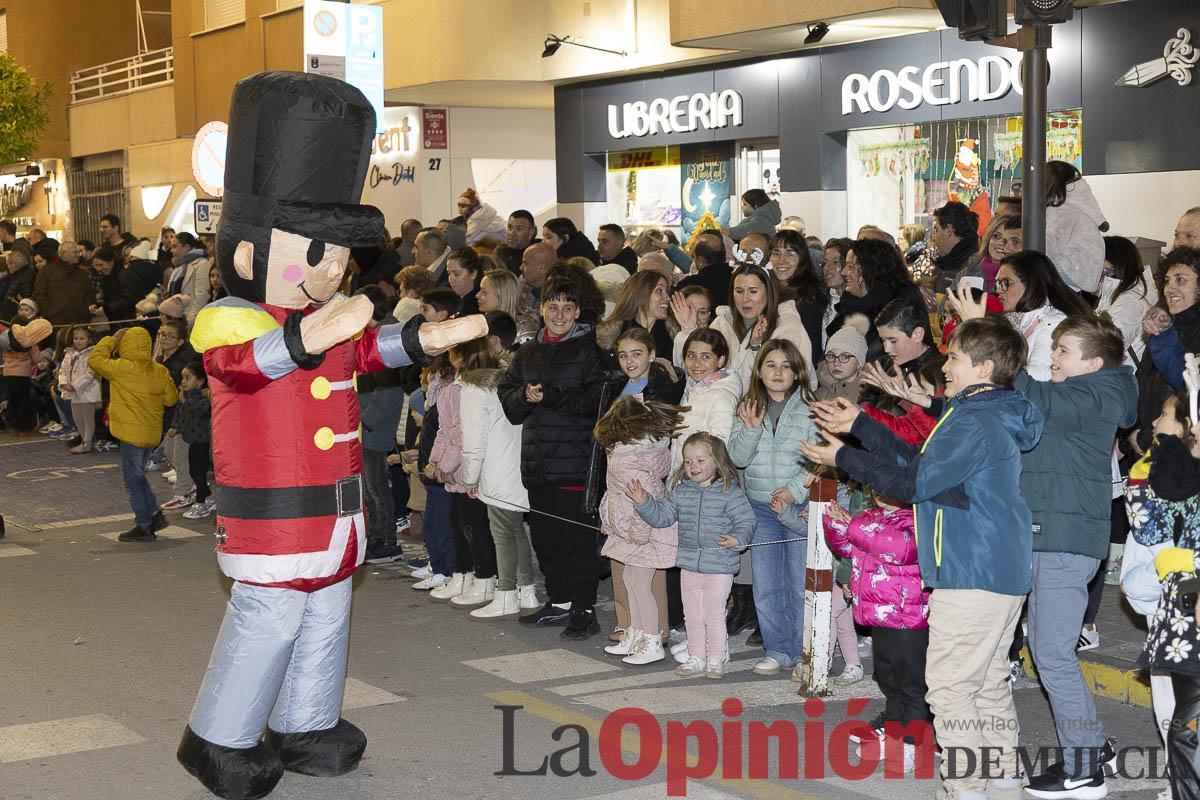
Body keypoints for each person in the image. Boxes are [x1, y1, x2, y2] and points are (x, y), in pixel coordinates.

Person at [802, 316, 1043, 800]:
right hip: (997, 565)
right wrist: (861, 427)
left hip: (971, 567)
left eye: (953, 357)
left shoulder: (974, 419)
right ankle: (999, 781)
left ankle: (966, 788)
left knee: (951, 686)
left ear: (985, 367)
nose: (945, 365)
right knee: (987, 681)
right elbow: (922, 466)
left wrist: (843, 457)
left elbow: (911, 485)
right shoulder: (986, 413)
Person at [991, 314, 1133, 797]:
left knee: (1051, 653)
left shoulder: (1097, 394)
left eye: (1063, 351)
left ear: (1092, 363)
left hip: (1066, 540)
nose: (1052, 357)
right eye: (1053, 348)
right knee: (1047, 649)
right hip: (1047, 534)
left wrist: (996, 350)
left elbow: (1037, 395)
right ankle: (1092, 747)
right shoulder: (1085, 394)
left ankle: (1085, 769)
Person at [499, 275, 608, 639]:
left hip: (574, 463)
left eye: (567, 308)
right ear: (542, 309)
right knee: (545, 540)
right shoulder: (526, 352)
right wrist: (524, 398)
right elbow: (509, 400)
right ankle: (559, 601)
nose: (559, 315)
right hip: (537, 463)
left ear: (577, 312)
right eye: (553, 307)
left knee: (576, 541)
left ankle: (584, 609)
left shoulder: (588, 352)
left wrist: (550, 396)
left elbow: (594, 403)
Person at [803, 491, 929, 772]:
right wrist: (835, 523)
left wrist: (852, 525)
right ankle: (894, 733)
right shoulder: (869, 518)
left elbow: (899, 548)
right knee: (889, 678)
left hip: (908, 617)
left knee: (912, 684)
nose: (880, 491)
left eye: (889, 485)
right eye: (876, 484)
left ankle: (911, 742)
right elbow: (849, 548)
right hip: (879, 615)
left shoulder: (917, 519)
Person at [629, 432, 755, 679]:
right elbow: (663, 517)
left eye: (699, 460)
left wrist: (737, 539)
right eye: (687, 461)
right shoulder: (681, 491)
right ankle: (697, 656)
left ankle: (717, 657)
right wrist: (644, 502)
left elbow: (747, 521)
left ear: (717, 461)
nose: (692, 466)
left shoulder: (730, 492)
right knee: (693, 614)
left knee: (714, 613)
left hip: (719, 565)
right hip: (688, 564)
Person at [727, 340, 819, 677]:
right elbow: (737, 457)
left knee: (798, 582)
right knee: (766, 583)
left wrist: (794, 491)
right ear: (759, 371)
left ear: (797, 373)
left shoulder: (812, 407)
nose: (777, 372)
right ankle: (778, 649)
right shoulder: (748, 407)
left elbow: (818, 458)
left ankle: (802, 652)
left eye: (785, 365)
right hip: (760, 507)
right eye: (770, 365)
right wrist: (750, 429)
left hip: (798, 506)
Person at [1124, 410, 1200, 799]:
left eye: (1166, 415)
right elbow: (1148, 533)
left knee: (1185, 730)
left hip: (1183, 615)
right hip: (1175, 621)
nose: (1154, 423)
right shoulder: (1170, 477)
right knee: (1180, 727)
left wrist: (1189, 562)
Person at [460, 312, 539, 619]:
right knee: (516, 529)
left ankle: (506, 592)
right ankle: (526, 590)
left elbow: (474, 441)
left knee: (502, 532)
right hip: (516, 465)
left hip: (495, 469)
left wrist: (470, 477)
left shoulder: (473, 387)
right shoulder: (508, 378)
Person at [594, 398, 684, 666]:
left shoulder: (629, 460)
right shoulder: (631, 453)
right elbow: (616, 499)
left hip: (644, 535)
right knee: (631, 581)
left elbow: (645, 501)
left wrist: (639, 534)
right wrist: (609, 522)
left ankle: (652, 639)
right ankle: (635, 633)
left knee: (642, 586)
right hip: (632, 532)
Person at [88, 326, 178, 541]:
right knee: (138, 475)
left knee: (133, 479)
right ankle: (153, 515)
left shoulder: (120, 367)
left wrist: (111, 339)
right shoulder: (159, 370)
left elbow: (94, 359)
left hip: (130, 433)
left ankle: (145, 523)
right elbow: (171, 400)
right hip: (151, 433)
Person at [671, 262, 816, 392]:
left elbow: (801, 381)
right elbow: (694, 375)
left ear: (769, 292)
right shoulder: (721, 324)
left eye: (753, 291)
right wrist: (688, 331)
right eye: (739, 291)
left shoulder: (788, 327)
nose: (745, 299)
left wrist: (755, 348)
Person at [984, 250, 1092, 381]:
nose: (998, 290)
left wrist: (992, 375)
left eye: (1006, 283)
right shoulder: (1021, 319)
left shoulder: (1054, 322)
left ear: (1032, 282)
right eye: (998, 283)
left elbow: (1042, 373)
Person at [1136, 247, 1200, 455]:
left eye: (1180, 280)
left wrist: (1142, 439)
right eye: (1166, 281)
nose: (1169, 289)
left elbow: (1187, 386)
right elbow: (1144, 386)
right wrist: (1131, 435)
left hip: (1178, 453)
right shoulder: (1167, 327)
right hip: (1151, 445)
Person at [826, 238, 924, 360]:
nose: (844, 272)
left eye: (850, 266)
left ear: (871, 269)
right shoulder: (848, 304)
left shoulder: (899, 302)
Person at [1044, 161, 1107, 295]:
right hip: (1084, 277)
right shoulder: (1080, 204)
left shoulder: (1064, 211)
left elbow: (1048, 247)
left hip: (1071, 275)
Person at [769, 229, 827, 364]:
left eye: (790, 254)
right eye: (776, 253)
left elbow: (811, 350)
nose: (781, 260)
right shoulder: (766, 291)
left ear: (801, 259)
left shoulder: (808, 297)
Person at [1098, 235, 1157, 366]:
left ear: (1116, 262)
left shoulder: (1128, 302)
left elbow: (1108, 350)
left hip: (1120, 378)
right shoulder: (1128, 292)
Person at [172, 362, 215, 520]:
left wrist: (185, 401)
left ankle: (201, 502)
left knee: (198, 472)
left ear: (200, 381)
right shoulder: (186, 396)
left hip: (202, 441)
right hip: (192, 439)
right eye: (183, 377)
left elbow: (202, 410)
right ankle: (208, 498)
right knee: (194, 471)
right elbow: (180, 414)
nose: (183, 381)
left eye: (188, 378)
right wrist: (175, 426)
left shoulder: (203, 396)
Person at [597, 270, 674, 356]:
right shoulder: (611, 338)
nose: (668, 298)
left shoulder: (673, 335)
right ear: (640, 295)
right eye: (659, 291)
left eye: (667, 291)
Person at [59, 325, 101, 454]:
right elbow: (62, 371)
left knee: (88, 418)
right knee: (78, 418)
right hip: (73, 393)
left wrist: (75, 385)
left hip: (88, 391)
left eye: (82, 338)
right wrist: (63, 383)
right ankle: (84, 440)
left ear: (89, 339)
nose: (78, 341)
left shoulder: (93, 353)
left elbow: (90, 374)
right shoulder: (68, 353)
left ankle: (87, 442)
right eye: (76, 338)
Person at [956, 214, 1022, 294]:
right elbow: (944, 305)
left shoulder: (1018, 279)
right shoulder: (967, 271)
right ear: (988, 238)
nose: (1001, 243)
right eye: (996, 236)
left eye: (1009, 240)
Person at [1, 298, 41, 432]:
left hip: (7, 374)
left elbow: (3, 356)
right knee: (24, 400)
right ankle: (25, 427)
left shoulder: (7, 342)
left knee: (11, 401)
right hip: (23, 375)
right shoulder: (29, 342)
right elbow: (36, 358)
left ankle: (13, 426)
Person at [32, 241, 91, 326]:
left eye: (79, 252)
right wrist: (49, 313)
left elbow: (89, 293)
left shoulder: (82, 273)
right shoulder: (47, 272)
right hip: (55, 322)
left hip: (80, 322)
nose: (78, 254)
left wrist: (85, 312)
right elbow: (40, 294)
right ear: (63, 253)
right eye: (75, 252)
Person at [477, 267, 537, 345]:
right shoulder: (482, 324)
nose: (477, 295)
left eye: (484, 292)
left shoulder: (525, 328)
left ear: (502, 296)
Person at [930, 201, 980, 293]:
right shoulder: (951, 261)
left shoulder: (972, 267)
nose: (934, 238)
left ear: (949, 230)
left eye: (936, 230)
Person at [816, 316, 868, 403]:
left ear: (859, 363)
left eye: (844, 357)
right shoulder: (817, 395)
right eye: (831, 356)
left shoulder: (866, 397)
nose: (836, 363)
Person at [164, 232, 212, 324]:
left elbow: (202, 297)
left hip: (191, 320)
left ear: (186, 246)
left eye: (174, 247)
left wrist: (190, 322)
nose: (171, 250)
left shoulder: (202, 264)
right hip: (177, 320)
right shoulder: (178, 268)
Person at [446, 247, 485, 316]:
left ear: (473, 274)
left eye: (456, 274)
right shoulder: (451, 298)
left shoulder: (476, 304)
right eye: (449, 273)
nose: (451, 279)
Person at [1, 248, 35, 321]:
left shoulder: (22, 277)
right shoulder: (25, 274)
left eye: (8, 264)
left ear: (13, 264)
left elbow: (25, 299)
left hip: (17, 317)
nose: (8, 267)